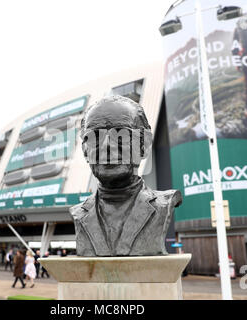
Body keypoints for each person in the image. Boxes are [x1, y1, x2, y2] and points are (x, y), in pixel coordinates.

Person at [71, 95, 182, 256]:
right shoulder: (78, 213)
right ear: (85, 151)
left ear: (144, 146)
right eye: (95, 137)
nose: (107, 145)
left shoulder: (164, 204)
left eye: (120, 135)